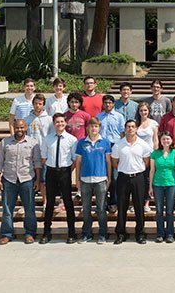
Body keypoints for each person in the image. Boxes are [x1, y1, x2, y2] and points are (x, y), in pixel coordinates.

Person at [0, 119, 41, 245]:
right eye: (17, 128)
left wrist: (38, 180)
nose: (19, 130)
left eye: (22, 128)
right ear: (13, 128)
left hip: (27, 179)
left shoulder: (33, 143)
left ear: (26, 127)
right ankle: (7, 234)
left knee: (29, 208)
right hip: (9, 180)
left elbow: (37, 163)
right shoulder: (5, 142)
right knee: (7, 209)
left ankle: (30, 233)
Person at [39, 113, 78, 244]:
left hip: (65, 172)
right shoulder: (47, 139)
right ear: (53, 123)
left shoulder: (71, 139)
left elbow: (74, 159)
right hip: (51, 172)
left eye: (62, 122)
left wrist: (67, 171)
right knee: (50, 203)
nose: (60, 124)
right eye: (57, 122)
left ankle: (72, 233)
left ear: (65, 123)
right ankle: (46, 232)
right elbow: (43, 158)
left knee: (68, 202)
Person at [112, 120, 152, 245]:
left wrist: (136, 170)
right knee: (122, 206)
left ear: (136, 129)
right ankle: (121, 233)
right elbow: (115, 162)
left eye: (133, 127)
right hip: (123, 177)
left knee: (139, 206)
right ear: (125, 129)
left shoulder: (143, 144)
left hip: (138, 178)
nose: (130, 129)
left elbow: (146, 161)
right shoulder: (118, 145)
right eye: (128, 127)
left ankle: (140, 234)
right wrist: (124, 169)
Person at [75, 117, 112, 244]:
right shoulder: (81, 143)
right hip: (85, 179)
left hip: (100, 179)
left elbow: (108, 161)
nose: (93, 128)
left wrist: (109, 177)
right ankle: (86, 233)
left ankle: (103, 233)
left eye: (96, 126)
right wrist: (77, 179)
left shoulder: (105, 142)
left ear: (99, 128)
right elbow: (78, 162)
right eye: (91, 126)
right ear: (87, 128)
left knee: (101, 208)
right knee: (86, 208)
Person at [149, 131, 175, 243]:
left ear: (171, 140)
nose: (165, 141)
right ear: (160, 140)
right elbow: (152, 170)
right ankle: (160, 234)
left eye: (168, 139)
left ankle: (170, 234)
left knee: (169, 211)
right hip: (157, 184)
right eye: (163, 139)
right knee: (158, 211)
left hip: (171, 184)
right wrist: (150, 187)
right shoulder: (155, 153)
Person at [24, 94, 53, 212]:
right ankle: (28, 203)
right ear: (33, 104)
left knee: (44, 180)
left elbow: (51, 137)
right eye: (35, 103)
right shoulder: (27, 119)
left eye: (40, 103)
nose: (37, 106)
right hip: (30, 154)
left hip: (44, 154)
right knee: (30, 179)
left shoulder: (49, 119)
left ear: (44, 105)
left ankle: (45, 202)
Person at [136, 101, 160, 213]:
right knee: (138, 180)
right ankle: (137, 202)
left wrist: (154, 154)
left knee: (147, 179)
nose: (143, 112)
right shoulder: (135, 123)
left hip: (150, 155)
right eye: (141, 110)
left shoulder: (153, 123)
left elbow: (156, 139)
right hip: (137, 156)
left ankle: (146, 202)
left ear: (148, 111)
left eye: (145, 110)